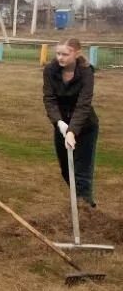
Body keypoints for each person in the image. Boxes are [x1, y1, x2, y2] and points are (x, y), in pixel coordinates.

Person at [43, 37, 99, 208]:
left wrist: (72, 131)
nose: (61, 57)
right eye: (58, 53)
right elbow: (49, 99)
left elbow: (83, 104)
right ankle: (81, 202)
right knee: (67, 170)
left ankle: (86, 210)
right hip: (61, 126)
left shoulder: (86, 72)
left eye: (65, 54)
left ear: (76, 53)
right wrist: (59, 123)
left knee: (82, 172)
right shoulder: (50, 70)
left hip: (85, 127)